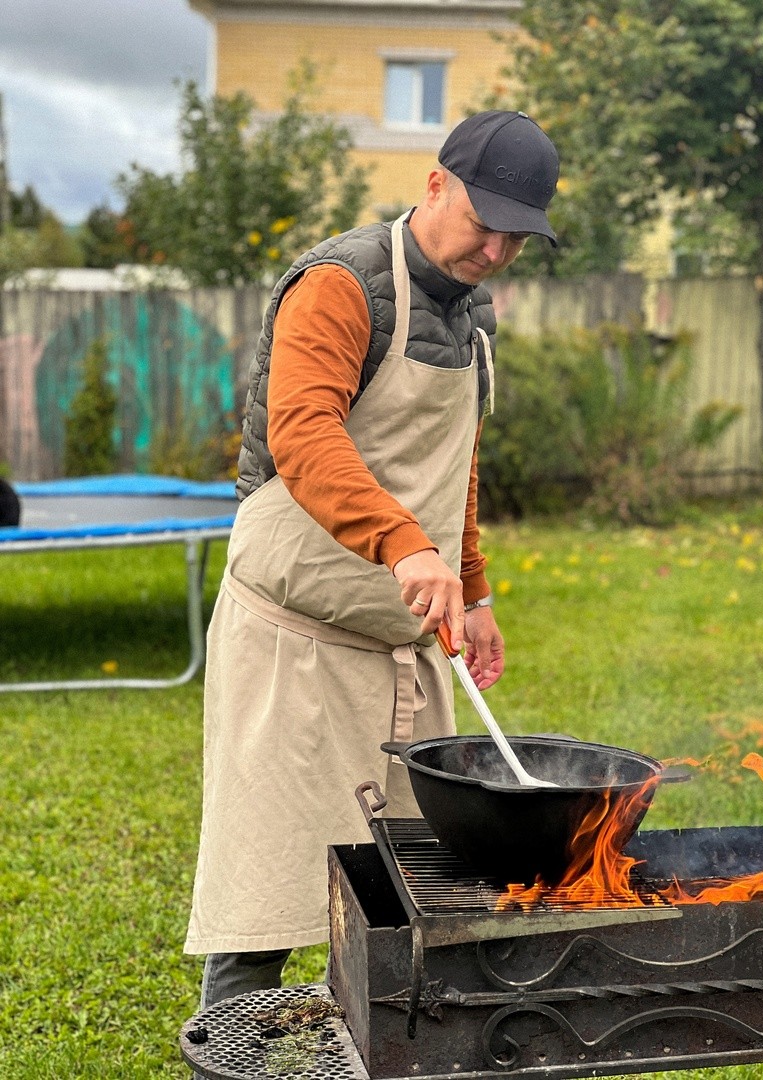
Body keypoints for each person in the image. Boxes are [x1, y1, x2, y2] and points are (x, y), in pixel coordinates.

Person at [184, 110, 559, 1007]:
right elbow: (303, 434)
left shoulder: (473, 310)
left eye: (518, 236)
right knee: (268, 903)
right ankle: (231, 1060)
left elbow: (454, 461)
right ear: (435, 185)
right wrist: (401, 544)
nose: (498, 251)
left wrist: (471, 587)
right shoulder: (340, 284)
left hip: (406, 649)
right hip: (296, 646)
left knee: (401, 905)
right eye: (485, 224)